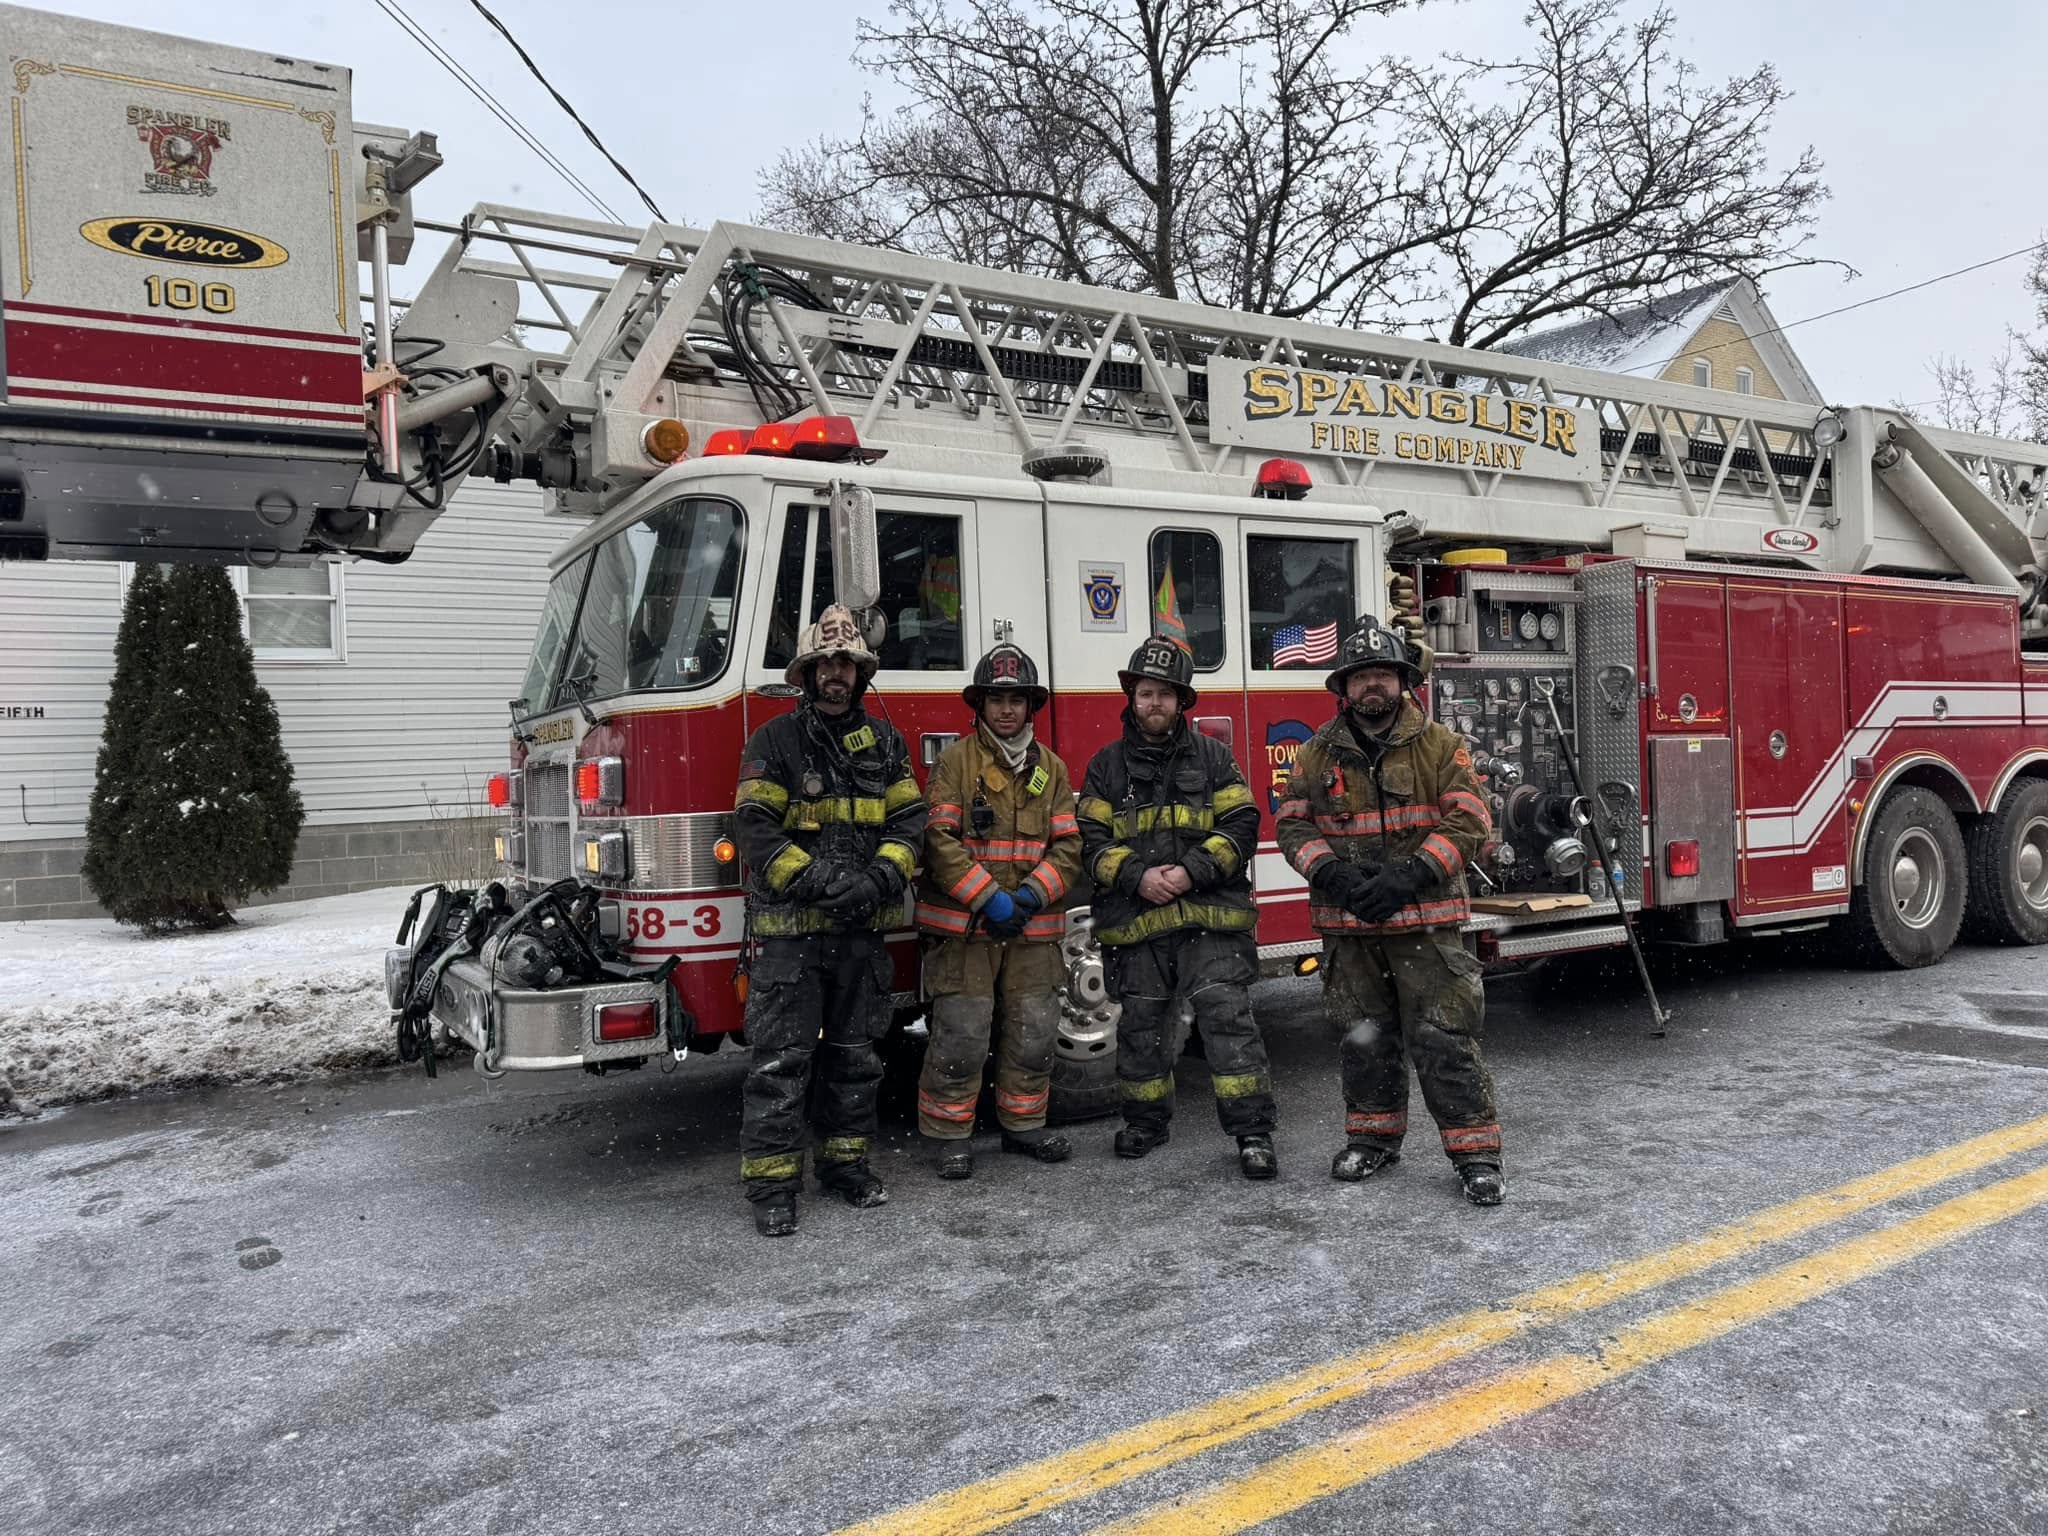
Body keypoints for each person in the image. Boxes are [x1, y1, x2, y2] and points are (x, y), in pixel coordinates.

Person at [1272, 614, 1504, 1205]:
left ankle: (1475, 1153)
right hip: (1350, 928)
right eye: (1360, 676)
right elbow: (1292, 823)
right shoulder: (1316, 754)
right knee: (1363, 1038)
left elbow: (1471, 818)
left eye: (1383, 674)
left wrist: (1412, 874)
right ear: (1343, 687)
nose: (1371, 685)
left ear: (1402, 681)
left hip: (1425, 926)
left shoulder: (1441, 746)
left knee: (1444, 1037)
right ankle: (1373, 1140)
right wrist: (1331, 872)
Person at [731, 604, 927, 1237]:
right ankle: (773, 1187)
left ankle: (847, 1168)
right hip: (790, 938)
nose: (836, 674)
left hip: (858, 933)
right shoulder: (774, 742)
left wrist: (877, 879)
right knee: (779, 1063)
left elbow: (910, 824)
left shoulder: (886, 743)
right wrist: (815, 881)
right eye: (825, 664)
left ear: (860, 673)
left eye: (846, 663)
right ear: (809, 673)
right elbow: (756, 829)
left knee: (855, 1058)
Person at [1076, 636, 1277, 1179]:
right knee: (1142, 1029)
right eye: (1146, 693)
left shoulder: (1213, 758)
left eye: (1165, 694)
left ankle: (1252, 1133)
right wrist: (1139, 877)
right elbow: (1090, 842)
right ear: (1131, 697)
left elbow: (1242, 828)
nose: (1155, 704)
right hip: (1137, 920)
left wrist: (1190, 872)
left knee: (1227, 1022)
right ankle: (1144, 1123)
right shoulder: (1105, 767)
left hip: (1207, 919)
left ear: (1182, 701)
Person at [914, 643, 1084, 1178]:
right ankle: (950, 1136)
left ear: (1030, 706)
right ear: (980, 705)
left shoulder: (1050, 768)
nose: (1006, 709)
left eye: (1016, 699)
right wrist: (990, 899)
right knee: (961, 1034)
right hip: (966, 929)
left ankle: (1024, 1127)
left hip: (1031, 930)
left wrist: (1030, 896)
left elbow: (1069, 845)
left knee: (1034, 1032)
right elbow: (940, 840)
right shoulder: (955, 763)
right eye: (996, 698)